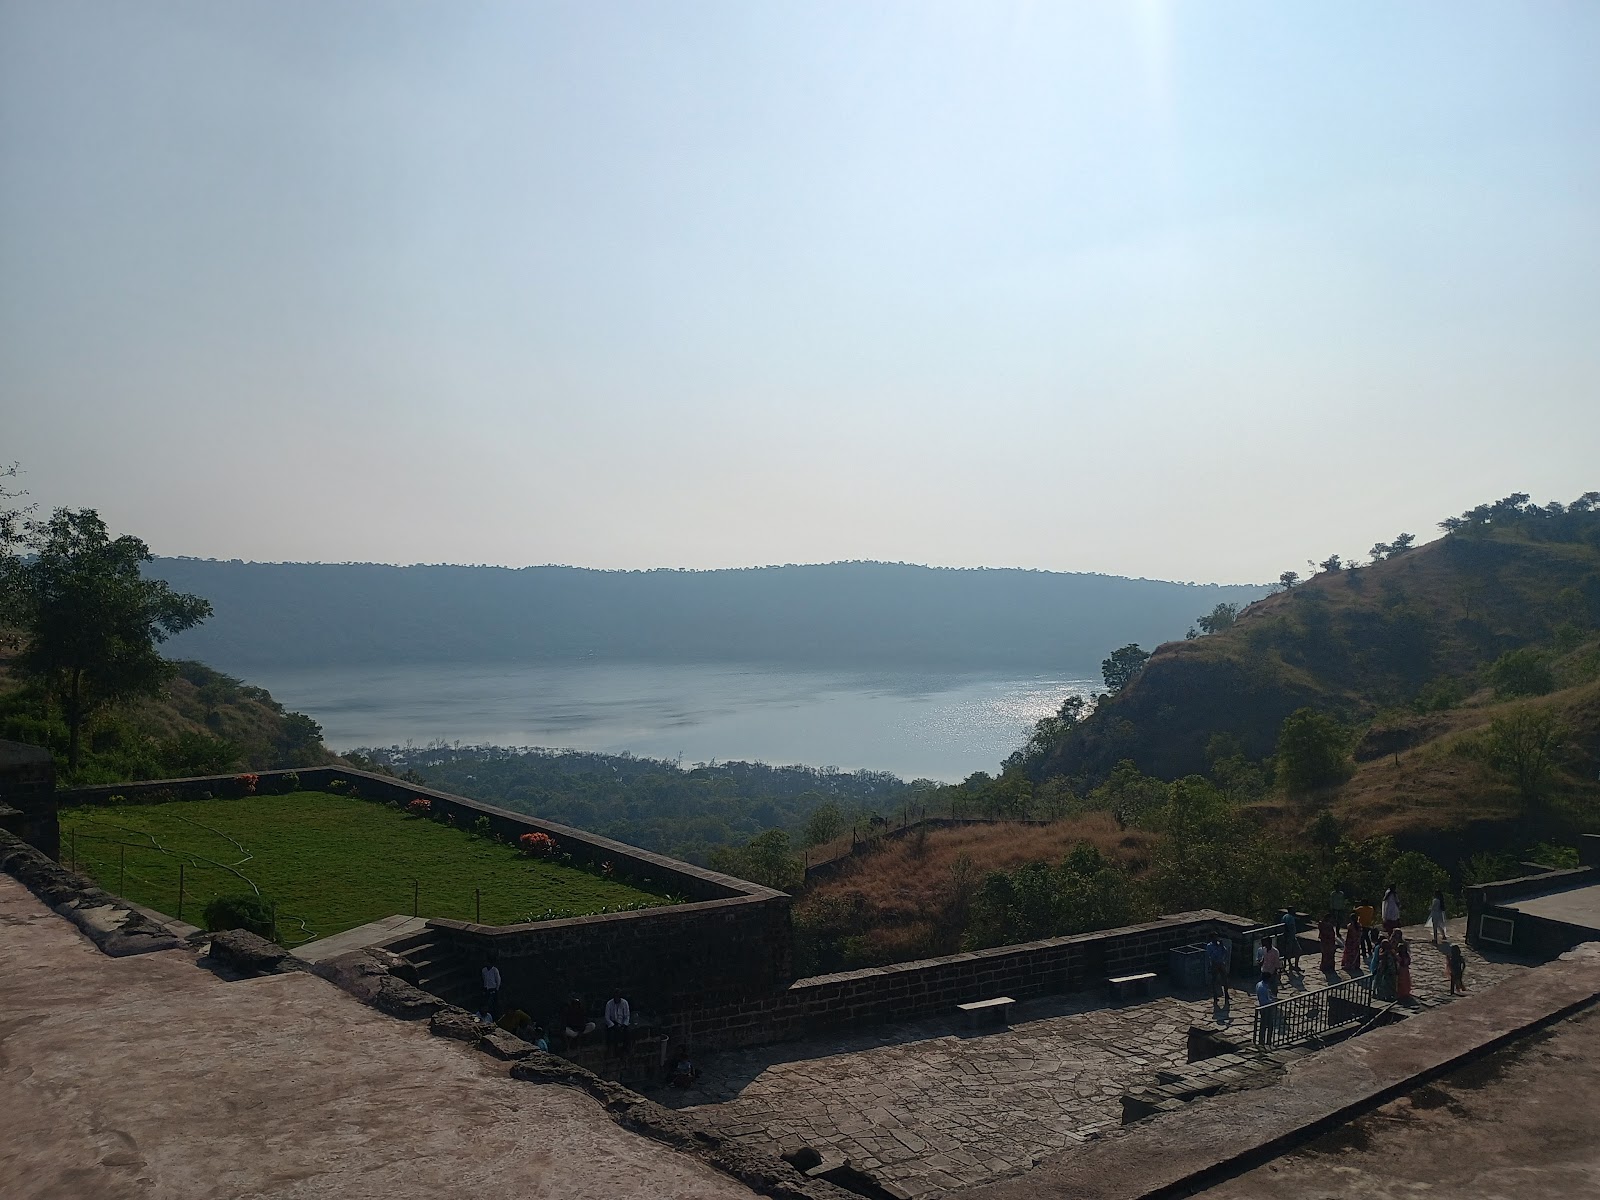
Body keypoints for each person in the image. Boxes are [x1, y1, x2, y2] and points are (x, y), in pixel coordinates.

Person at [604, 989, 632, 1057]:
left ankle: (626, 1049)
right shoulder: (609, 1004)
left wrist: (624, 1024)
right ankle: (613, 1051)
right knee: (612, 1034)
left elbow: (627, 1016)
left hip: (622, 1023)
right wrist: (613, 1026)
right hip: (613, 1023)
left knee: (628, 1033)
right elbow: (607, 1018)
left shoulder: (624, 1003)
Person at [1206, 934, 1231, 1008]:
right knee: (1214, 980)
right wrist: (1217, 948)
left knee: (1225, 979)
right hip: (1214, 963)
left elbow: (1225, 952)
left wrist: (1222, 946)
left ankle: (1226, 994)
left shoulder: (1220, 945)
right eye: (1214, 937)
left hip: (1221, 963)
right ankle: (1215, 995)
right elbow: (1211, 955)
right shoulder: (1209, 946)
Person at [1393, 931, 1413, 1002]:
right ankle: (1402, 993)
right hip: (1402, 970)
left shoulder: (1405, 956)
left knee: (1405, 982)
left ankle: (1405, 993)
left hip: (1404, 970)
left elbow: (1408, 962)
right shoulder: (1399, 955)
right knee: (1401, 982)